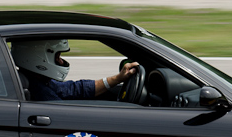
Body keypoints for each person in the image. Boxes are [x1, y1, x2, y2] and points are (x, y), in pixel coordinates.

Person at [12, 39, 140, 102]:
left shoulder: (36, 82)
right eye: (57, 57)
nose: (61, 61)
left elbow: (73, 89)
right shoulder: (39, 93)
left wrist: (117, 79)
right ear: (37, 58)